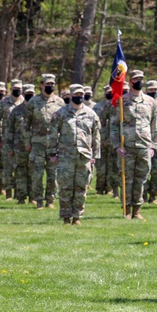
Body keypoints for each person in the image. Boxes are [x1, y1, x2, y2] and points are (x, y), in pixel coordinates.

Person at [48, 84, 101, 225]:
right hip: (66, 156)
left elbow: (96, 136)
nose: (79, 97)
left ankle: (77, 216)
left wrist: (95, 155)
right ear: (70, 95)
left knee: (81, 187)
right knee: (65, 187)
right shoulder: (61, 113)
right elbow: (52, 134)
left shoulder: (91, 114)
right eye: (76, 94)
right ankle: (66, 216)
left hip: (84, 157)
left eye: (81, 94)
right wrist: (52, 153)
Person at [110, 70, 157, 219]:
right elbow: (113, 125)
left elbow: (154, 125)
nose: (139, 81)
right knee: (126, 178)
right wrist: (116, 145)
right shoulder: (122, 100)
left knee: (141, 179)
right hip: (127, 146)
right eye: (136, 79)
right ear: (130, 81)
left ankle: (137, 210)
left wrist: (153, 145)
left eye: (141, 79)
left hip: (144, 146)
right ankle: (126, 209)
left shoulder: (150, 102)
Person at [24, 74, 64, 208]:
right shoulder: (33, 102)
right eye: (47, 84)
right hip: (38, 144)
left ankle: (50, 200)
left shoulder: (60, 102)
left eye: (52, 84)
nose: (50, 86)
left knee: (53, 175)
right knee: (37, 175)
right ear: (41, 85)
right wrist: (27, 142)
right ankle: (39, 200)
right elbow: (26, 124)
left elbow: (64, 124)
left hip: (54, 145)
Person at [0, 79, 24, 200]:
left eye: (19, 89)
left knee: (20, 167)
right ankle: (8, 193)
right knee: (8, 167)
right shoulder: (3, 103)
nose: (17, 90)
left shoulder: (26, 102)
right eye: (15, 88)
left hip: (22, 141)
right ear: (10, 89)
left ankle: (19, 192)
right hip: (8, 140)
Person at [5, 85, 35, 204]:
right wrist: (9, 146)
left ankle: (33, 197)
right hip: (19, 146)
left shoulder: (38, 109)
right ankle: (21, 197)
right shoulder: (16, 110)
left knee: (34, 172)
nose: (29, 95)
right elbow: (9, 130)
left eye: (31, 93)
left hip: (35, 146)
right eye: (27, 93)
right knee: (20, 171)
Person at [144, 80, 157, 203]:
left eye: (155, 90)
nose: (154, 92)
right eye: (151, 90)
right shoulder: (145, 103)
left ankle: (154, 195)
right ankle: (143, 195)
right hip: (144, 142)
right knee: (145, 171)